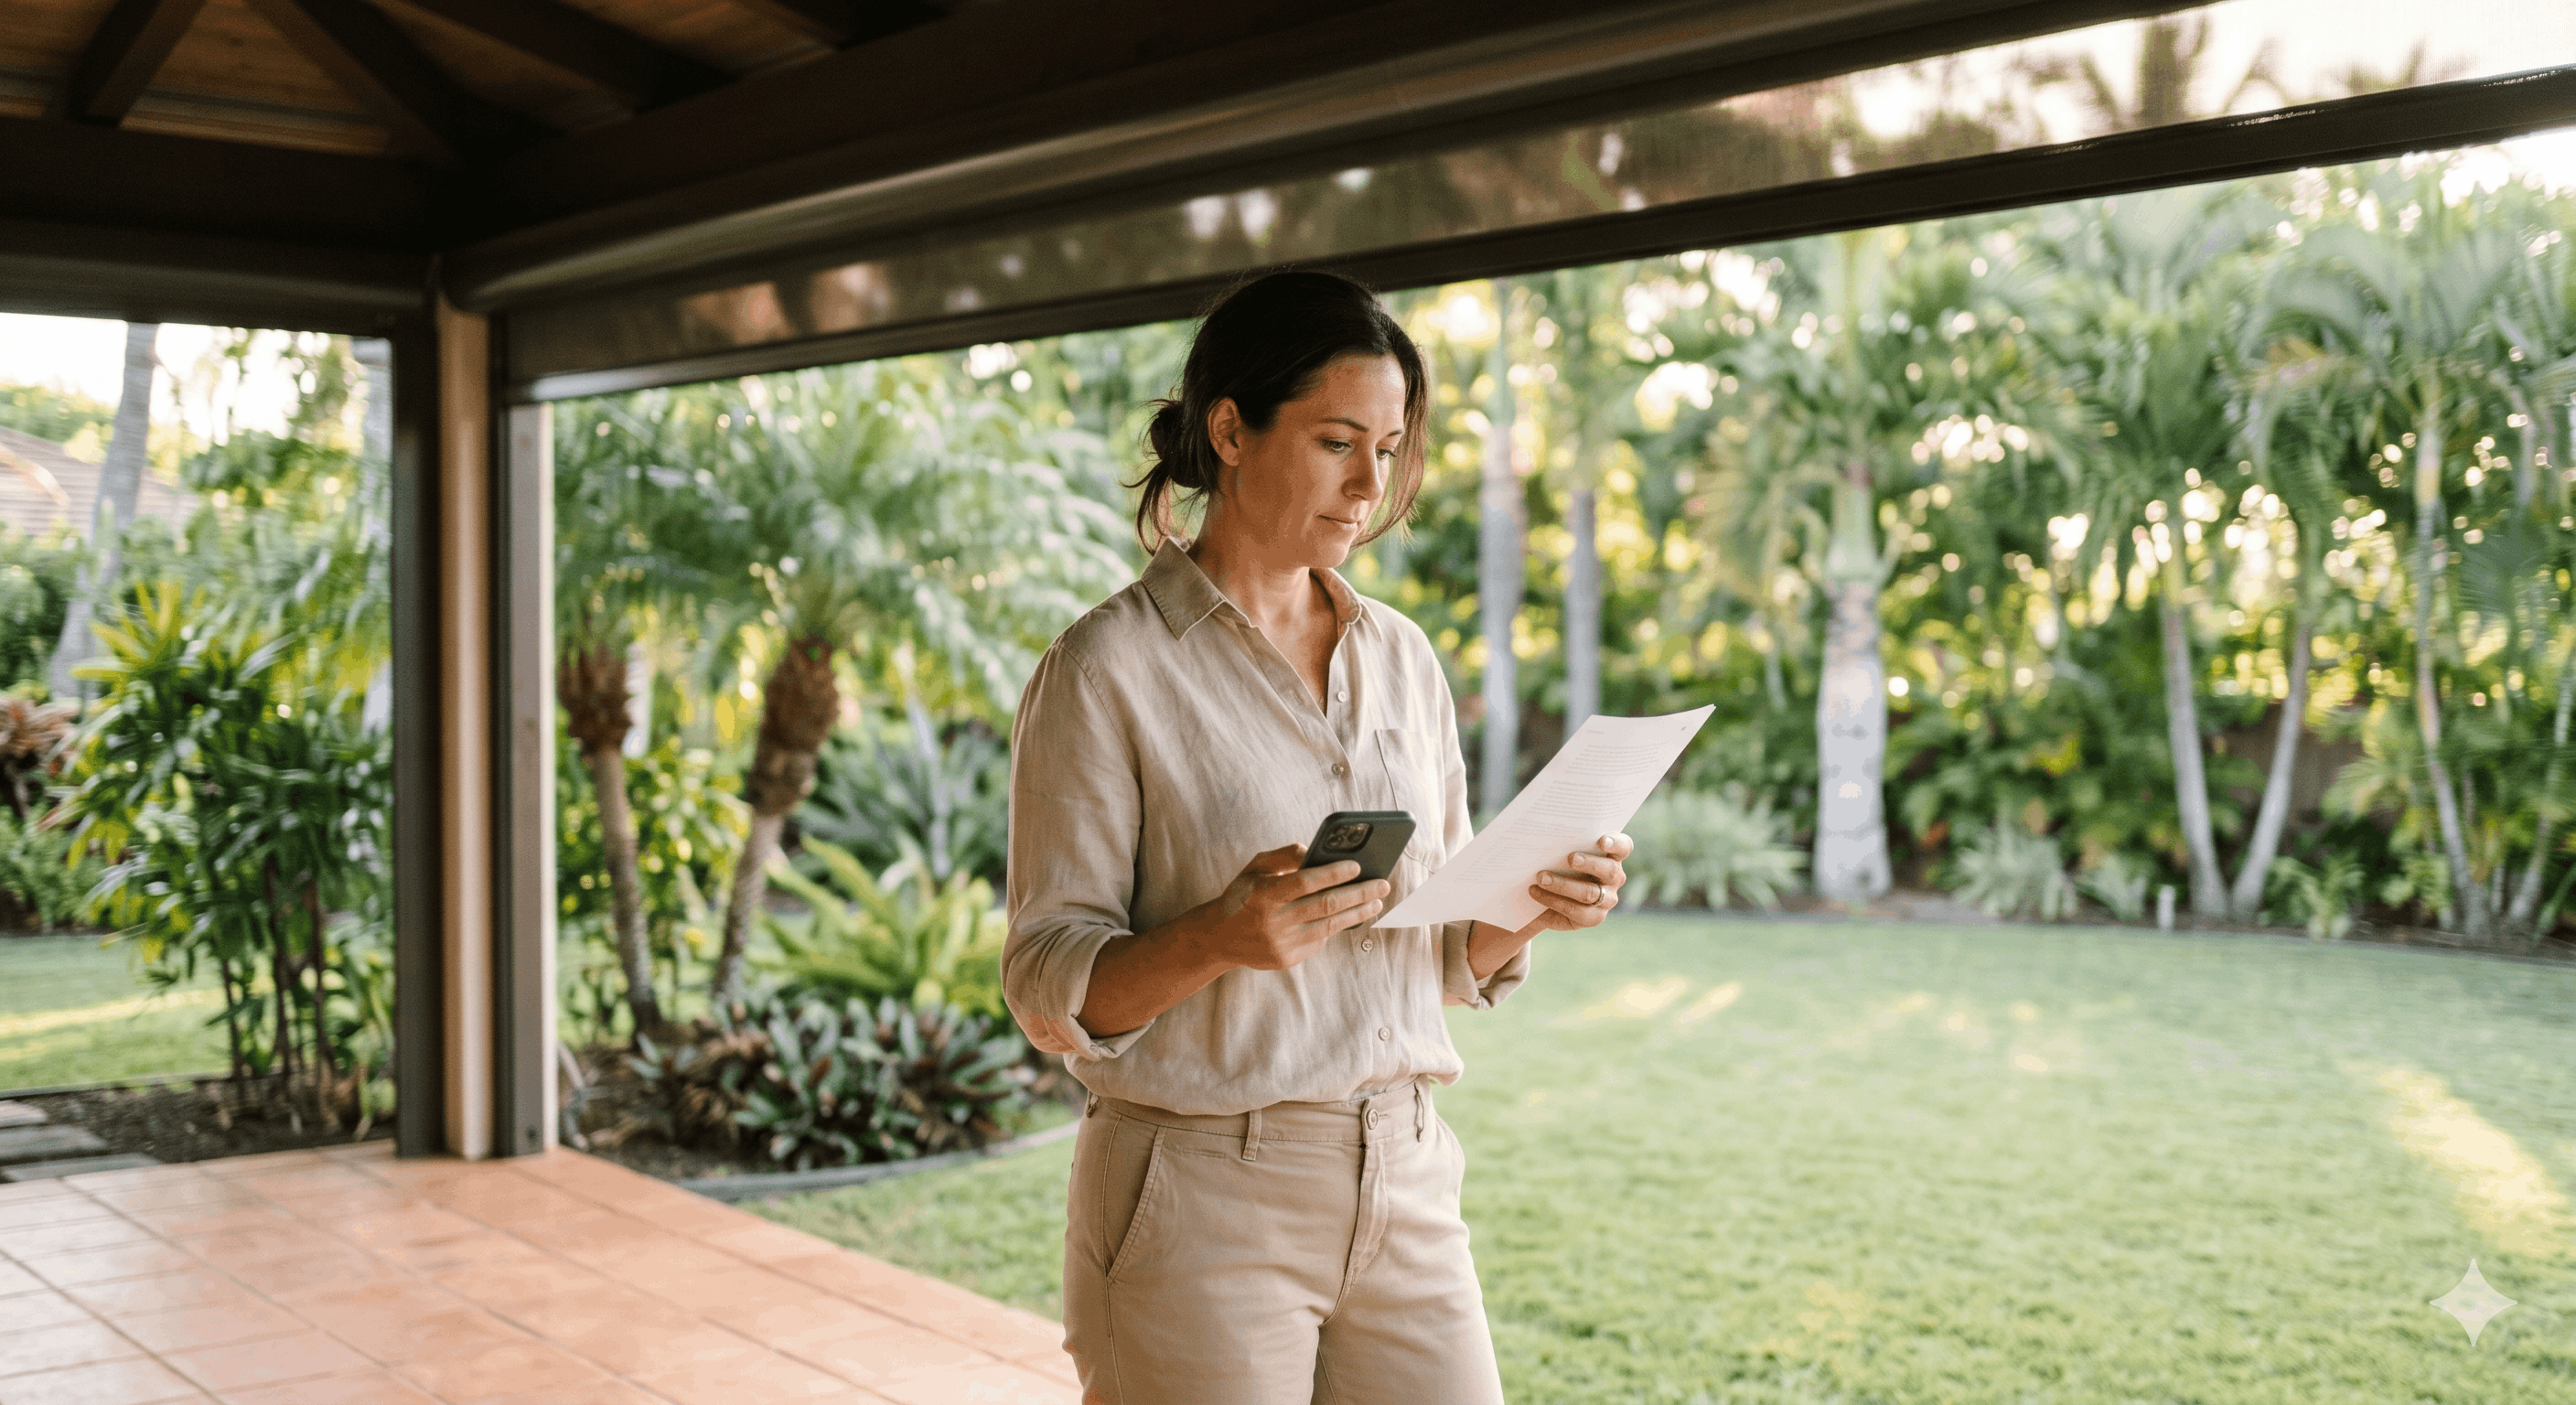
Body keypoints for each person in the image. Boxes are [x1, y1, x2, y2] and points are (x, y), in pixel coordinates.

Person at [1003, 269, 1633, 1405]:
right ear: (1230, 428)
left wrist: (1530, 903)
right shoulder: (1104, 671)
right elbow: (1046, 984)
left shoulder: (1401, 659)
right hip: (1197, 1197)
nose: (1368, 486)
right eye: (1337, 441)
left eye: (1387, 450)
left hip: (1406, 1177)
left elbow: (1436, 960)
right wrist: (1217, 938)